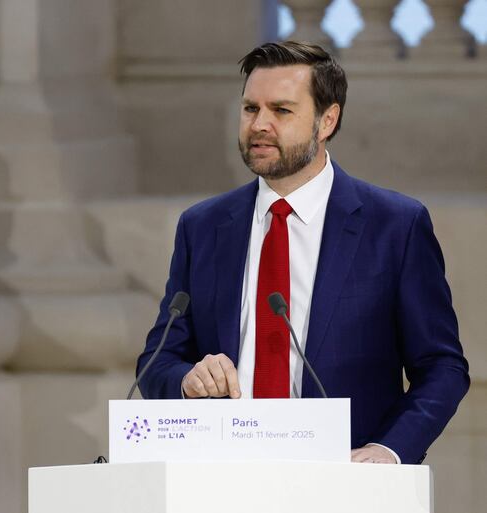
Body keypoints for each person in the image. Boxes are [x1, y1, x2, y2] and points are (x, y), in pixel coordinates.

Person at [135, 41, 469, 465]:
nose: (260, 125)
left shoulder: (394, 226)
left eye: (282, 110)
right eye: (251, 109)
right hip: (223, 478)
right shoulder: (202, 227)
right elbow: (157, 360)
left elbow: (442, 367)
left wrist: (389, 449)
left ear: (327, 119)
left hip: (344, 482)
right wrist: (187, 380)